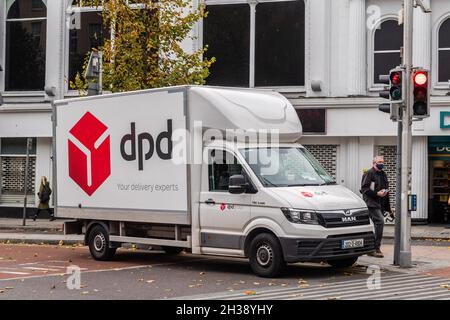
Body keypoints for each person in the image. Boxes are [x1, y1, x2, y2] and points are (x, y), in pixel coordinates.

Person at [360, 156, 393, 258]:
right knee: (380, 222)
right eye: (379, 162)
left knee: (374, 225)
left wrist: (389, 208)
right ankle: (375, 248)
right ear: (374, 163)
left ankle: (370, 247)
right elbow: (364, 189)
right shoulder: (369, 173)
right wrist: (376, 194)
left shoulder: (383, 174)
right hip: (371, 203)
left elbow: (386, 190)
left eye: (382, 162)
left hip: (381, 203)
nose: (381, 163)